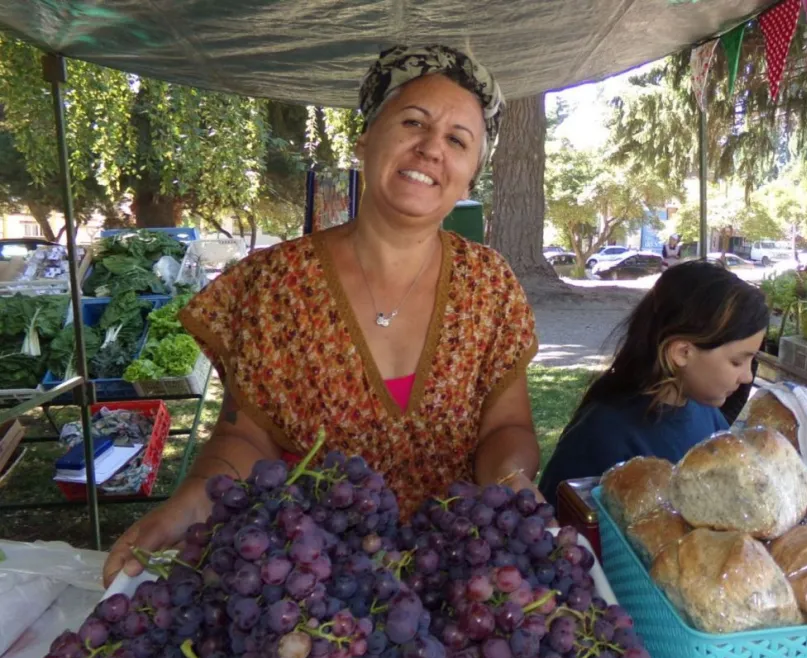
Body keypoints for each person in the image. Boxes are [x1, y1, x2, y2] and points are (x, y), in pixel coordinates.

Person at [104, 45, 541, 585]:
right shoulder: (276, 283)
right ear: (366, 138)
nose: (431, 148)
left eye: (457, 140)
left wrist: (510, 480)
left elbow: (508, 427)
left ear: (471, 175)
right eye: (413, 122)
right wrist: (189, 505)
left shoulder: (489, 285)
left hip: (452, 573)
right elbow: (246, 439)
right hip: (313, 590)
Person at [538, 260, 769, 507]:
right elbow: (560, 528)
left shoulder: (709, 416)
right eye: (737, 362)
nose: (747, 377)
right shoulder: (602, 437)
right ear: (682, 352)